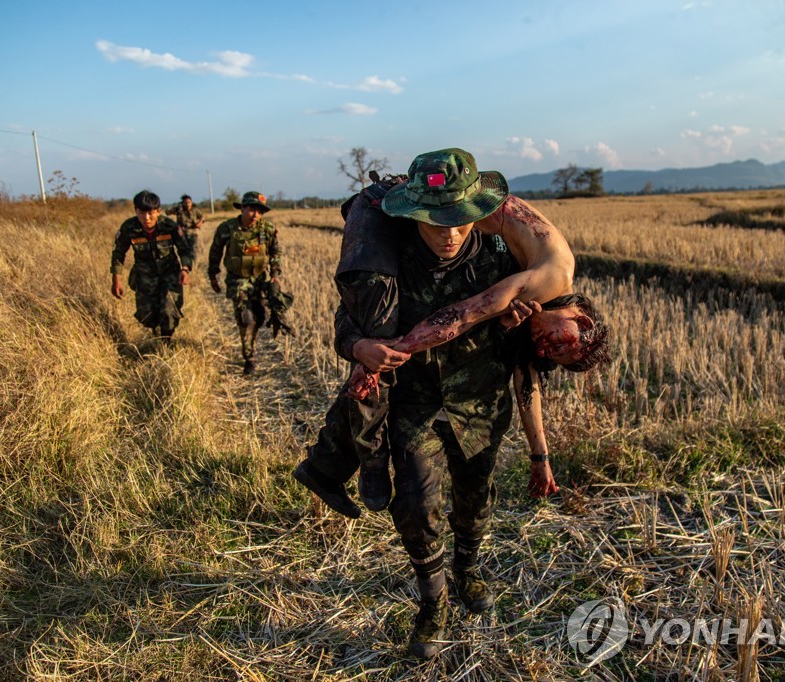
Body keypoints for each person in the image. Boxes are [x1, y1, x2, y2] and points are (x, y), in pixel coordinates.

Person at [298, 149, 611, 658]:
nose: (449, 234)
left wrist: (540, 452)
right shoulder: (389, 260)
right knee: (416, 507)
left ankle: (467, 569)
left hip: (480, 411)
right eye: (435, 222)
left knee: (475, 502)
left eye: (460, 221)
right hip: (415, 405)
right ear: (414, 214)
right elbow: (346, 323)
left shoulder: (503, 261)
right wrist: (360, 350)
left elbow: (517, 361)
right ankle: (433, 603)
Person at [207, 191, 292, 374]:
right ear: (243, 208)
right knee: (246, 318)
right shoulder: (227, 228)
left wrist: (275, 275)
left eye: (260, 212)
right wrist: (213, 274)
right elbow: (215, 252)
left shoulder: (266, 229)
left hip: (260, 280)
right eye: (252, 209)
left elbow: (275, 253)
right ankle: (249, 357)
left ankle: (250, 347)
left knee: (259, 316)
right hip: (237, 280)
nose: (255, 215)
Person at [110, 189, 193, 342]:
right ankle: (156, 331)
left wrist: (185, 269)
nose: (146, 218)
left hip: (170, 275)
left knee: (169, 311)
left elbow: (185, 250)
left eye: (151, 213)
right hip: (145, 277)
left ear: (158, 211)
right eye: (141, 213)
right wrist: (116, 279)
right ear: (135, 211)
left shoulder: (169, 226)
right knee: (147, 316)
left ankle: (166, 341)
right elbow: (118, 253)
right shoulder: (129, 228)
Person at [166, 194, 205, 261]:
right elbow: (167, 212)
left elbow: (202, 217)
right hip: (181, 232)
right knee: (183, 249)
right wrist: (177, 209)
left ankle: (193, 264)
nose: (187, 204)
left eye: (189, 202)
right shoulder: (179, 209)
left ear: (191, 202)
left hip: (192, 232)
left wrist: (200, 223)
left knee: (193, 249)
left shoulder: (195, 210)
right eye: (185, 203)